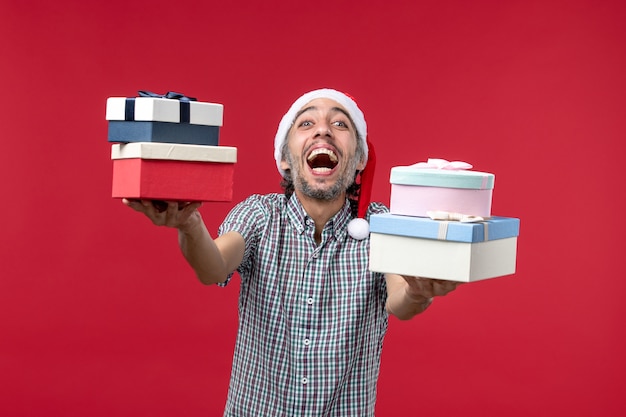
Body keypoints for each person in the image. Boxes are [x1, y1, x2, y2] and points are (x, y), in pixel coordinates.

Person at [124, 88, 460, 416]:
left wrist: (418, 291)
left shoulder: (381, 224)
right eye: (306, 123)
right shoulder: (259, 214)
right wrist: (190, 224)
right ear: (285, 158)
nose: (324, 130)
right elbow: (213, 267)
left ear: (359, 161)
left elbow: (400, 300)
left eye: (341, 124)